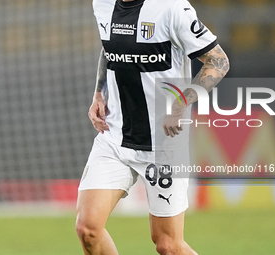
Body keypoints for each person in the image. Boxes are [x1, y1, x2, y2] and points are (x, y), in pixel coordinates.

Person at [76, 0, 229, 254]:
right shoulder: (102, 3)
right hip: (114, 136)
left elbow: (218, 61)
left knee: (168, 245)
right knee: (87, 229)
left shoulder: (172, 8)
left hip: (163, 144)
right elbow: (109, 47)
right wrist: (99, 92)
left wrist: (181, 103)